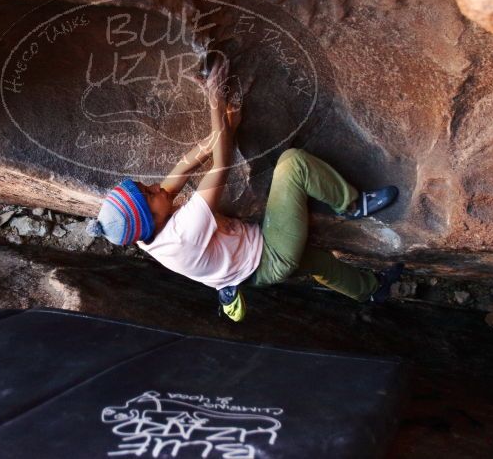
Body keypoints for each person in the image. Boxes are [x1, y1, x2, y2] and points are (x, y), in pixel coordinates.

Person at [86, 57, 402, 322]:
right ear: (151, 218)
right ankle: (350, 205)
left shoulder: (145, 230)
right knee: (293, 165)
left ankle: (372, 290)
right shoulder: (181, 234)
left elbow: (184, 167)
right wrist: (215, 103)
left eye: (146, 186)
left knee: (320, 262)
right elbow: (221, 165)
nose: (156, 187)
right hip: (269, 254)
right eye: (150, 193)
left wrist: (224, 126)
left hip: (251, 270)